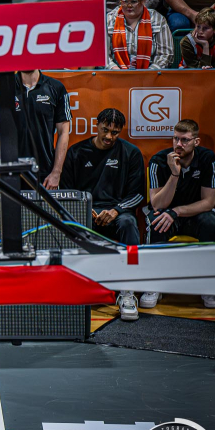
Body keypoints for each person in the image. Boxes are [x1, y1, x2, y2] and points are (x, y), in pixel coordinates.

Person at [60, 108, 144, 321]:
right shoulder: (76, 152)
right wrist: (86, 208)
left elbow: (139, 195)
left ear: (120, 131)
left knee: (129, 225)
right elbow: (66, 191)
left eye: (115, 132)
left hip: (119, 211)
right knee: (67, 226)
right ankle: (73, 288)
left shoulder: (131, 153)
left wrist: (116, 210)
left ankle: (128, 292)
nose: (108, 136)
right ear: (96, 125)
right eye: (105, 130)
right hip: (85, 211)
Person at [142, 119, 215, 309]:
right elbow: (157, 204)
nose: (178, 144)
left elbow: (208, 202)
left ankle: (210, 286)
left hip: (192, 214)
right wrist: (174, 174)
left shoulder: (208, 158)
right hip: (166, 213)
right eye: (176, 139)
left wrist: (176, 212)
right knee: (156, 220)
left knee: (210, 222)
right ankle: (154, 284)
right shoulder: (158, 161)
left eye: (184, 140)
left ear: (196, 142)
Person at [0, 70, 72, 189]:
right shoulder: (0, 88)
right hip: (9, 171)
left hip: (45, 173)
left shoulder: (56, 87)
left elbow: (64, 132)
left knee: (43, 208)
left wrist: (56, 172)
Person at [105, 0, 173, 69]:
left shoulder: (157, 19)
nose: (129, 5)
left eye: (133, 1)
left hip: (150, 76)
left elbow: (165, 54)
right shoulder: (109, 19)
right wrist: (115, 70)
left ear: (143, 1)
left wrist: (149, 73)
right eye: (125, 1)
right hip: (116, 75)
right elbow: (103, 54)